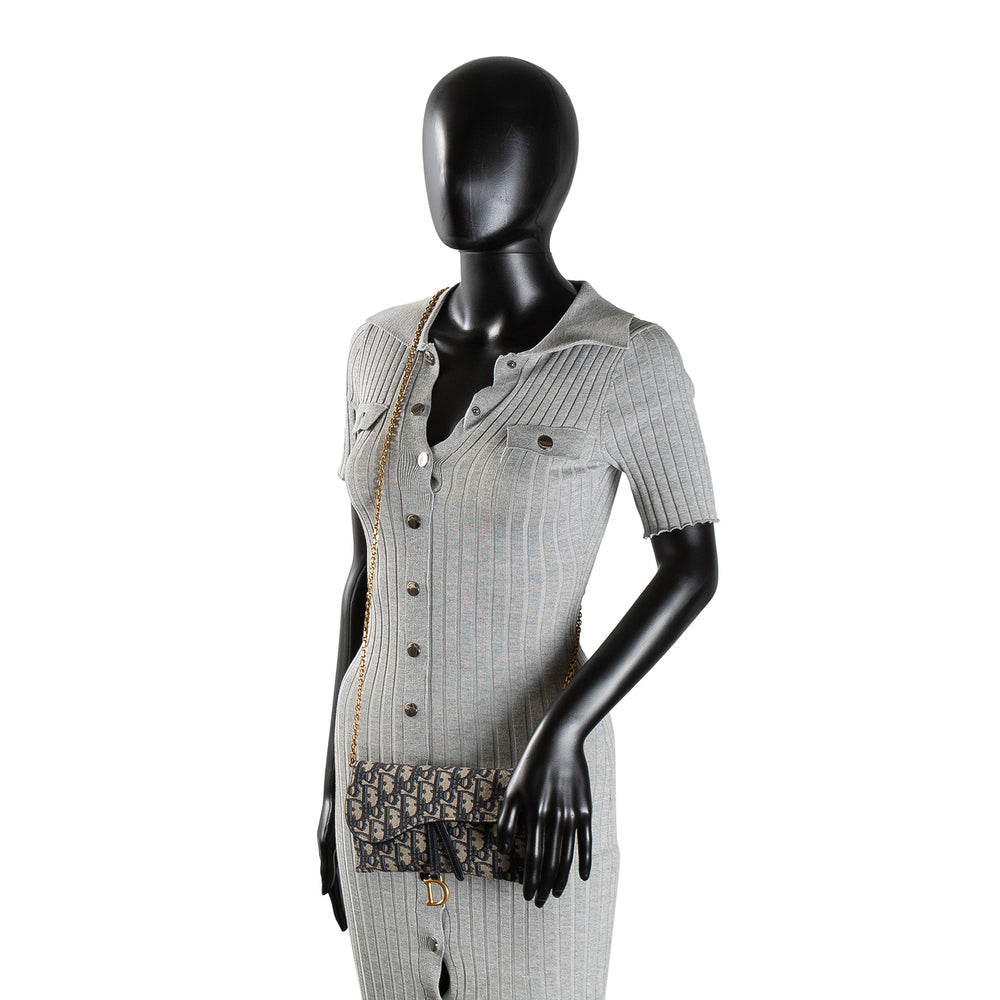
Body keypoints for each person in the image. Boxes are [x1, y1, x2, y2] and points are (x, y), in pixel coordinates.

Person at [318, 55, 720, 1000]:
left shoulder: (626, 361)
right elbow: (364, 576)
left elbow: (691, 564)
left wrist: (568, 727)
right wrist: (328, 780)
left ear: (550, 174)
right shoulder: (379, 349)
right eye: (442, 150)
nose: (456, 175)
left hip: (530, 797)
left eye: (485, 152)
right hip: (377, 793)